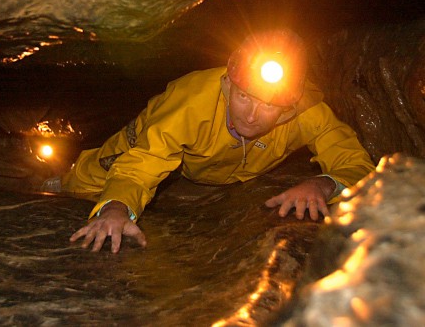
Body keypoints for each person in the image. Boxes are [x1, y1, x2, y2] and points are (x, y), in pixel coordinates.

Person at [57, 29, 375, 253]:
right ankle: (58, 179)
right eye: (244, 97)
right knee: (89, 179)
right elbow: (141, 165)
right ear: (226, 87)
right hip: (144, 145)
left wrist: (325, 184)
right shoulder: (191, 103)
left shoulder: (307, 111)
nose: (252, 115)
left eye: (269, 105)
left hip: (210, 171)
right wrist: (115, 208)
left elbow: (356, 163)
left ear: (288, 108)